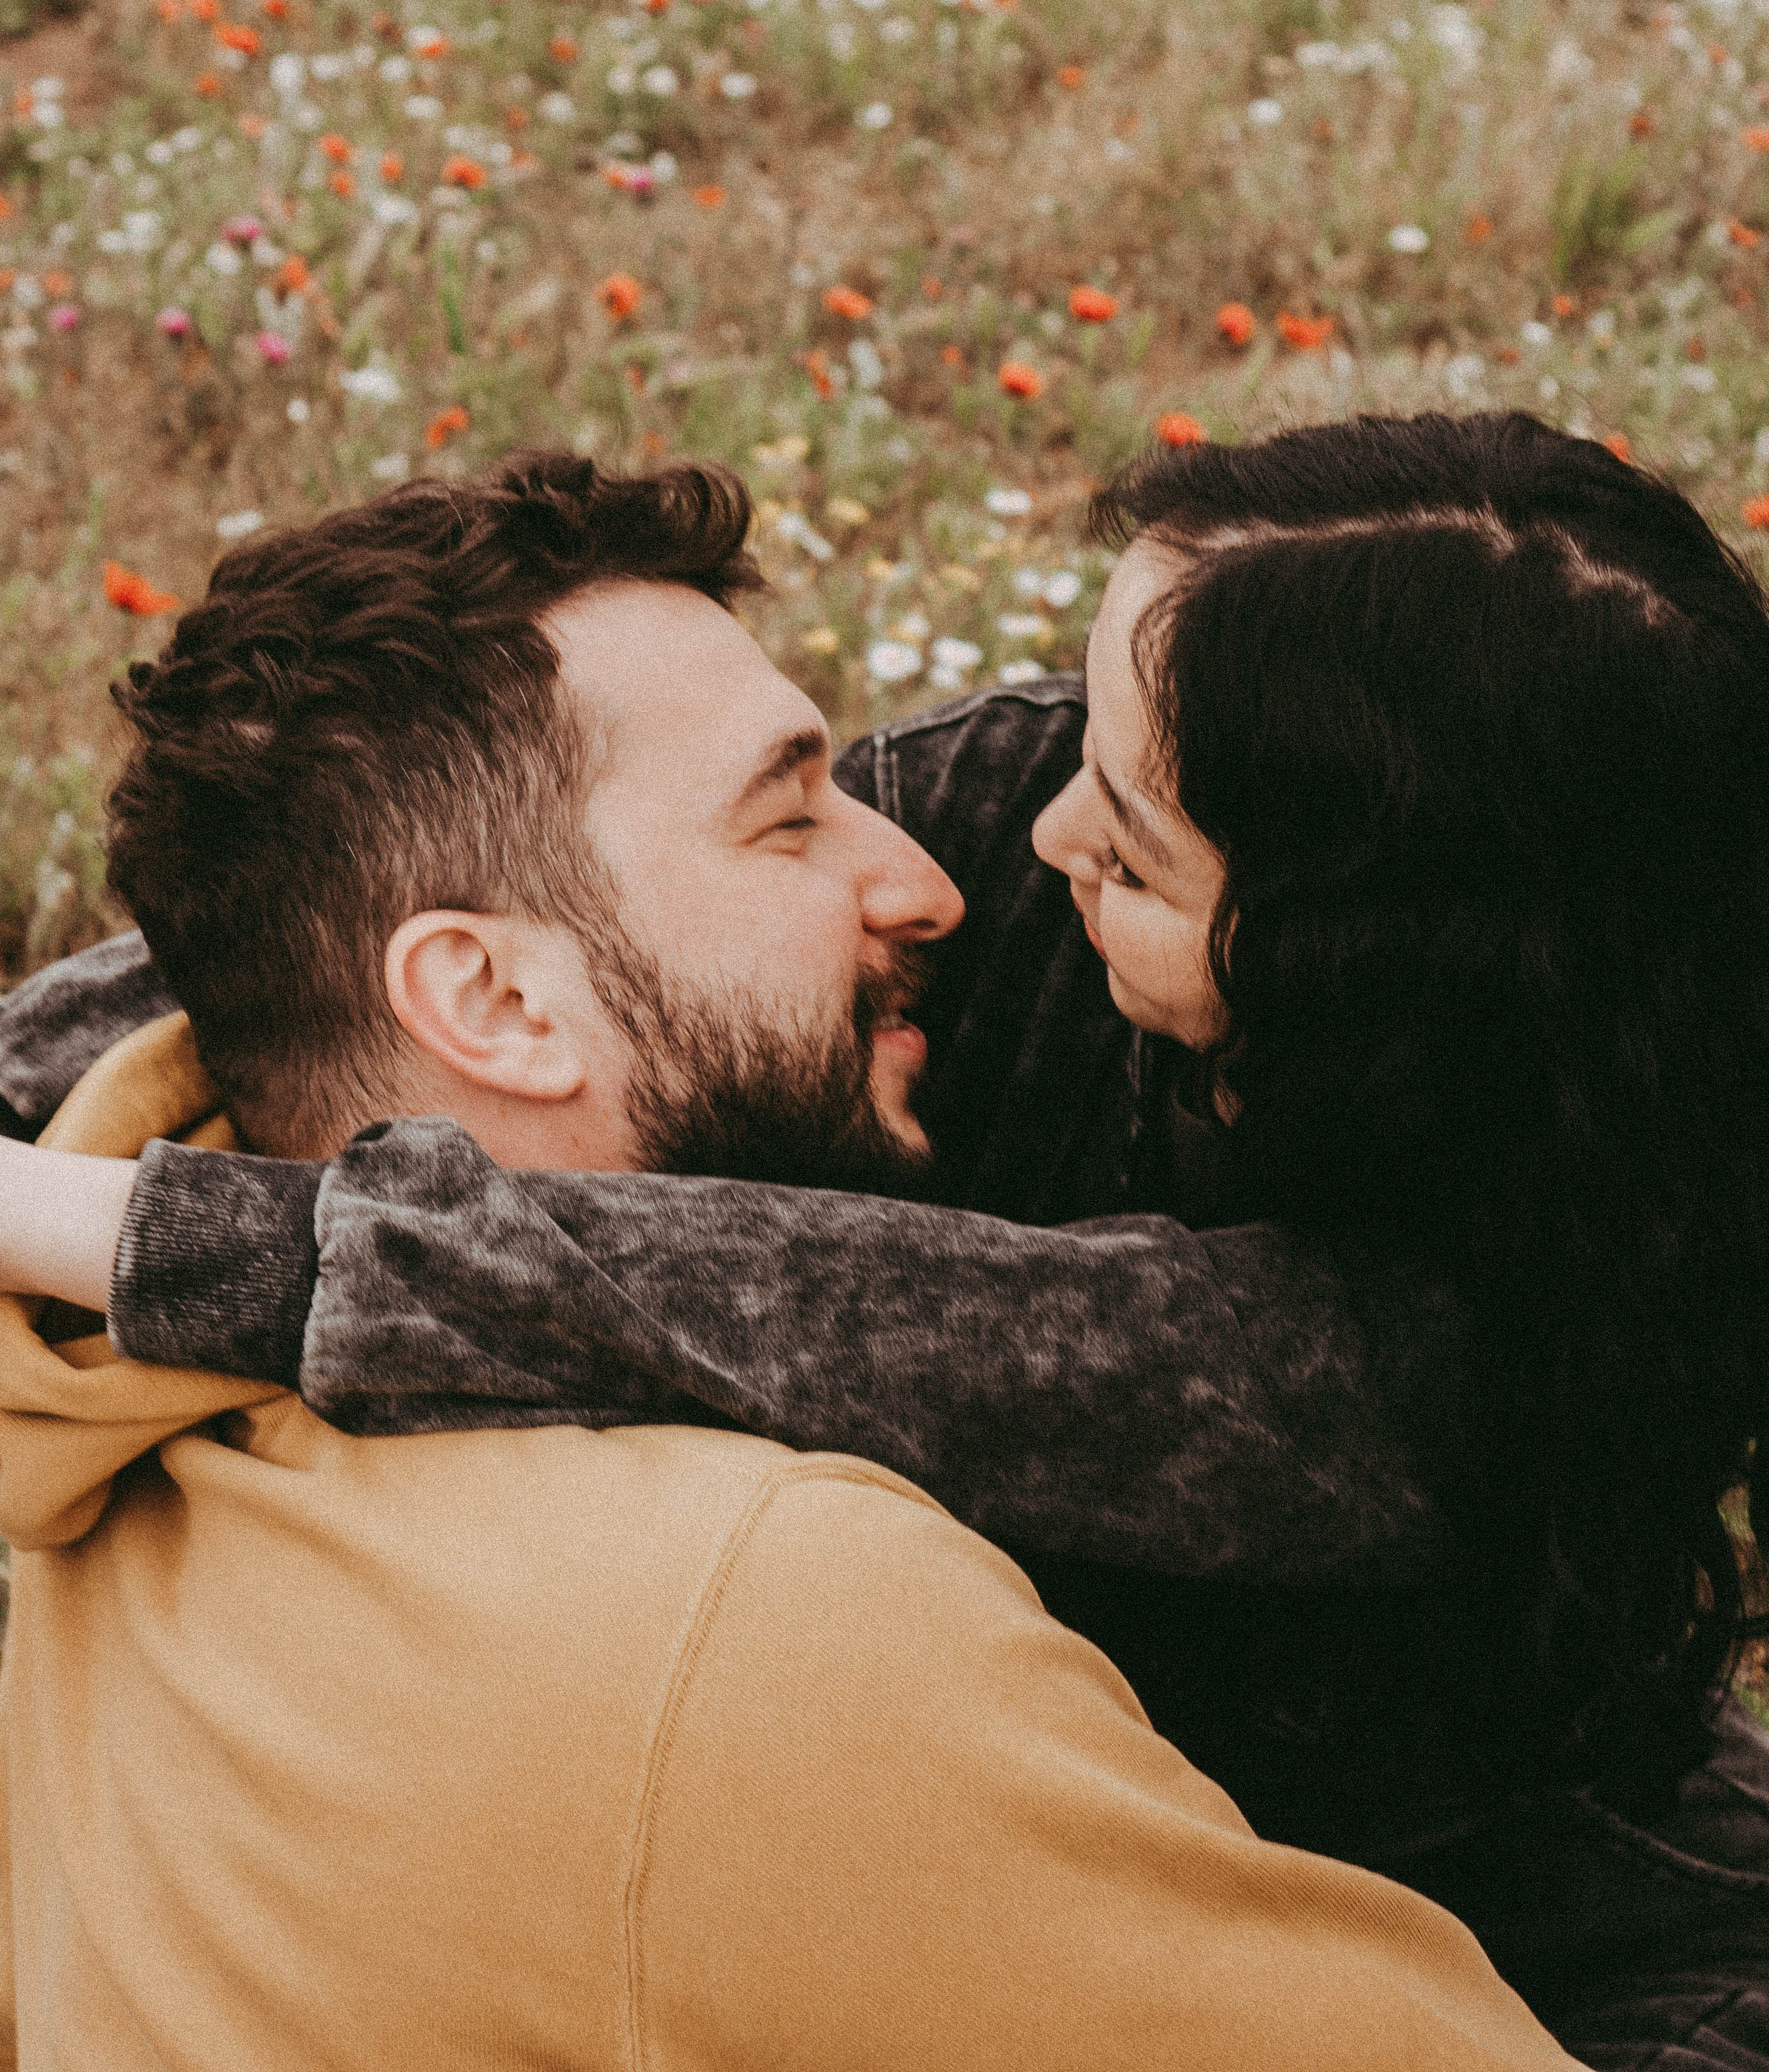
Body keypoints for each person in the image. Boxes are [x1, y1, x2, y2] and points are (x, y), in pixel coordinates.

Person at [6, 417, 1769, 2060]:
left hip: (1480, 1862)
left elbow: (952, 1339)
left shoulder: (1459, 1340)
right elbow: (357, 908)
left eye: (1138, 854)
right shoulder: (1031, 826)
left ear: (1350, 980)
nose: (994, 847)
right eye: (1075, 741)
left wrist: (158, 1227)